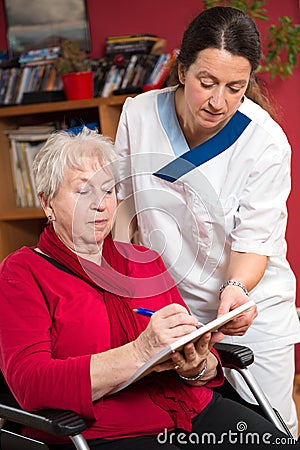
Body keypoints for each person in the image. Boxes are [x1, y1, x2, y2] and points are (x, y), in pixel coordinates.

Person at [0, 127, 298, 449]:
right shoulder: (22, 272)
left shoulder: (144, 260)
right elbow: (31, 385)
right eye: (83, 191)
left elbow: (202, 361)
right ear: (47, 203)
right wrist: (141, 352)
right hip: (106, 432)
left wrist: (197, 364)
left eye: (109, 190)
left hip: (190, 410)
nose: (100, 204)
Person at [113, 6, 300, 438]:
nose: (219, 102)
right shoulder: (138, 116)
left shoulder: (265, 142)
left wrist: (235, 292)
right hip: (169, 307)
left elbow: (254, 241)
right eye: (207, 82)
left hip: (247, 308)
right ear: (182, 70)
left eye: (236, 87)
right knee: (191, 427)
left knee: (269, 430)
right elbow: (126, 213)